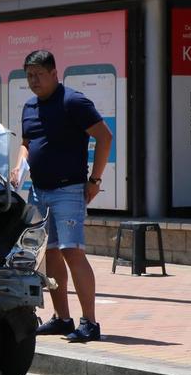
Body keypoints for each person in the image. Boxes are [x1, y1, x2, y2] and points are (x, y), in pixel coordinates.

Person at [10, 49, 113, 343]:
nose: (33, 81)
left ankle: (90, 322)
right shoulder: (29, 107)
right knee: (49, 252)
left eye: (39, 75)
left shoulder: (73, 101)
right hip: (38, 191)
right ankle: (62, 319)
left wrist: (95, 179)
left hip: (68, 190)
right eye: (29, 76)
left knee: (72, 251)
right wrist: (19, 166)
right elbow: (27, 144)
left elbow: (104, 137)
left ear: (55, 73)